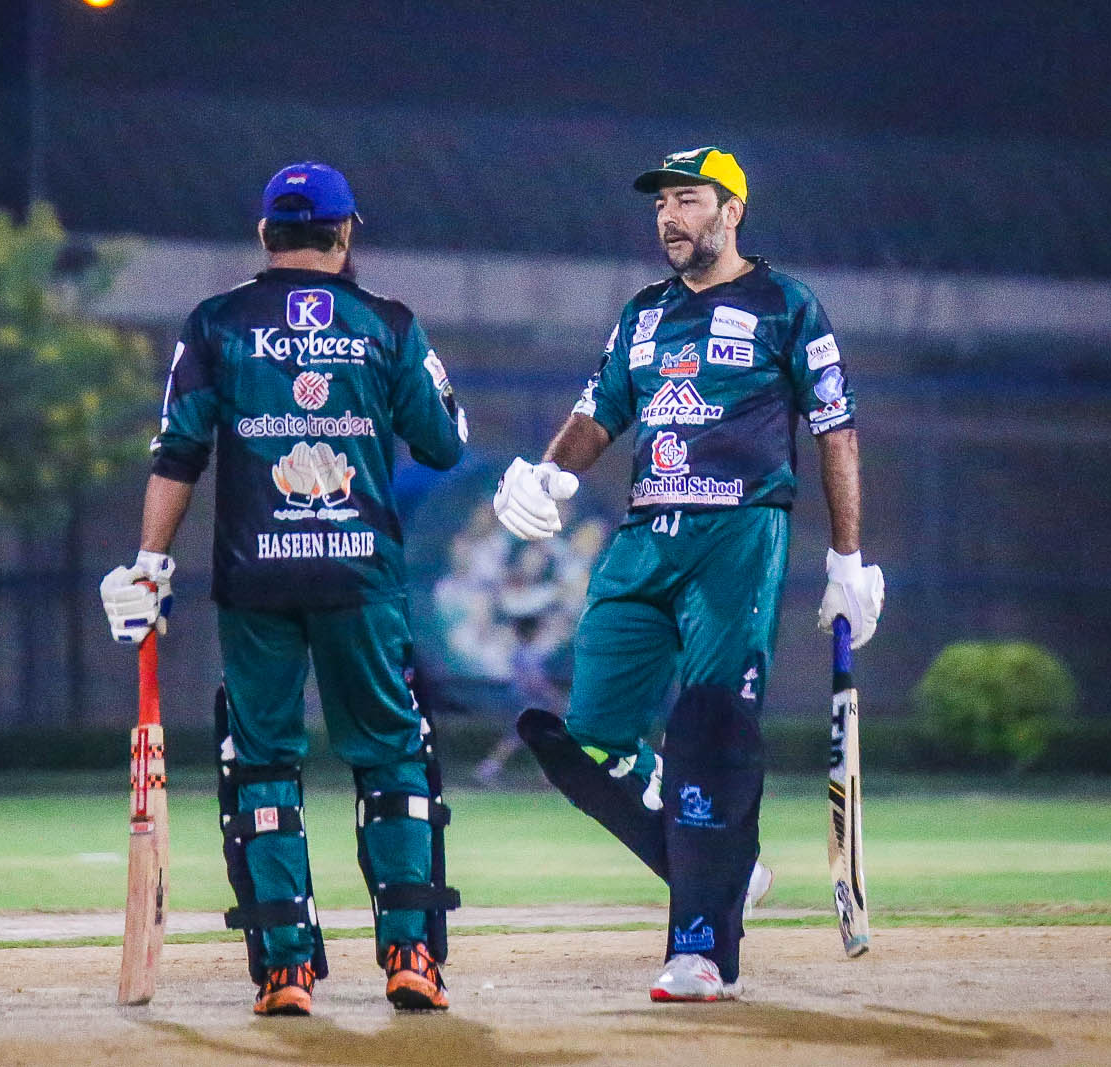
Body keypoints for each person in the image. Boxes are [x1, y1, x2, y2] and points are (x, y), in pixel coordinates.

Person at [492, 147, 885, 1002]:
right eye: (661, 204)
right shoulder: (643, 313)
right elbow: (600, 408)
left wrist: (847, 558)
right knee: (588, 737)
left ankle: (702, 950)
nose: (669, 217)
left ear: (732, 210)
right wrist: (550, 473)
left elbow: (837, 430)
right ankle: (725, 864)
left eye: (688, 200)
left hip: (737, 535)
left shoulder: (787, 305)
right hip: (644, 537)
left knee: (710, 733)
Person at [100, 161, 467, 1016]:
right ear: (347, 233)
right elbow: (446, 443)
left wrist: (150, 562)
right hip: (360, 574)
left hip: (256, 575)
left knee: (261, 761)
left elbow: (178, 453)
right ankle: (412, 954)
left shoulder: (217, 323)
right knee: (392, 756)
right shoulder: (387, 322)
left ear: (265, 234)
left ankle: (285, 970)